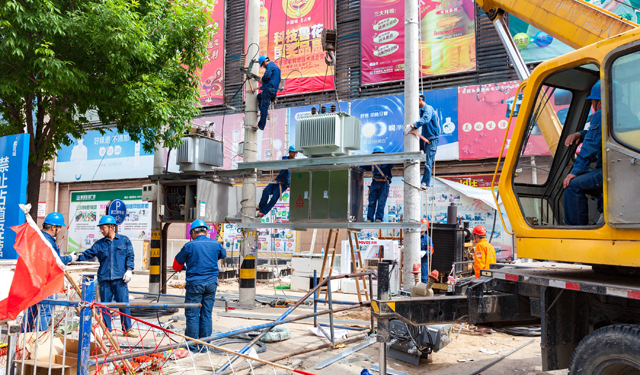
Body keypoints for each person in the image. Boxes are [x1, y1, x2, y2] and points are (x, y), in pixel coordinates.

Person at [73, 215, 137, 337]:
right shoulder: (99, 244)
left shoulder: (124, 240)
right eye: (101, 228)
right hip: (105, 279)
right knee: (105, 306)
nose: (101, 231)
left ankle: (127, 329)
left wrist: (129, 270)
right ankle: (108, 330)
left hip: (120, 279)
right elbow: (87, 254)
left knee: (123, 304)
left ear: (111, 227)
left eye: (103, 228)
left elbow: (130, 255)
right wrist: (74, 257)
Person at [173, 220, 227, 352]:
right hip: (211, 284)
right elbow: (223, 254)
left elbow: (176, 265)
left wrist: (186, 265)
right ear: (206, 231)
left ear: (192, 232)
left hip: (195, 285)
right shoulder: (215, 244)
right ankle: (204, 346)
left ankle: (192, 347)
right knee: (206, 314)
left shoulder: (189, 246)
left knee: (192, 314)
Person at [22, 212, 76, 332]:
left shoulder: (37, 237)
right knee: (45, 311)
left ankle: (22, 339)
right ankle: (39, 342)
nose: (60, 230)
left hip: (33, 281)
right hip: (46, 282)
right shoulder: (48, 242)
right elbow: (56, 261)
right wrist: (70, 258)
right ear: (53, 227)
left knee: (31, 310)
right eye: (59, 227)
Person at [563, 80, 603, 225]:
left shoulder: (601, 113)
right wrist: (582, 133)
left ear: (598, 101)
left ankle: (575, 230)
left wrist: (576, 171)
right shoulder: (625, 115)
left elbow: (590, 146)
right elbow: (603, 133)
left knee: (572, 185)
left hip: (609, 169)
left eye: (592, 101)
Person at [405, 94, 441, 189]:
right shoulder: (421, 111)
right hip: (424, 138)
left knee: (428, 162)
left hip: (431, 140)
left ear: (419, 99)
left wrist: (413, 126)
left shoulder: (428, 108)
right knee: (413, 154)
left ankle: (425, 183)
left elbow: (425, 119)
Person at [257, 146, 297, 217]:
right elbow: (287, 166)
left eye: (295, 152)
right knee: (266, 191)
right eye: (293, 152)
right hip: (277, 180)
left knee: (274, 198)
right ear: (289, 152)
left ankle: (263, 211)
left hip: (283, 184)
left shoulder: (296, 163)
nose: (294, 154)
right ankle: (261, 207)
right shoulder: (285, 159)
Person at [361, 146, 394, 222]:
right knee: (371, 202)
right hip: (375, 182)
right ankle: (369, 219)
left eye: (378, 154)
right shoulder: (373, 163)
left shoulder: (387, 163)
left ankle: (378, 218)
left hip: (384, 184)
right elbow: (363, 166)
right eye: (375, 154)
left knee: (381, 203)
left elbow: (392, 163)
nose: (377, 156)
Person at [257, 55, 281, 130]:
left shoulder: (269, 65)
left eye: (262, 65)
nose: (263, 67)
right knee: (259, 96)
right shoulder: (276, 67)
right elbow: (278, 80)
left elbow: (267, 75)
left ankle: (261, 125)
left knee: (264, 107)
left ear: (264, 62)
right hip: (272, 91)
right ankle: (264, 113)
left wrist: (262, 79)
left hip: (268, 90)